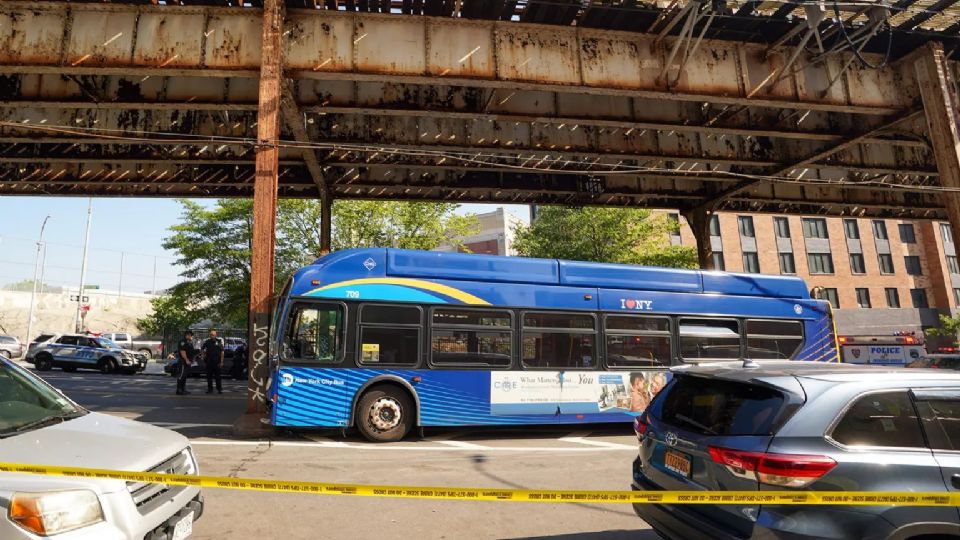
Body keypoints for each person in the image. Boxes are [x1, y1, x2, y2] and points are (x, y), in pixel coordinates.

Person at [201, 329, 225, 394]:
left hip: (217, 363)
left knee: (218, 377)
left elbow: (222, 352)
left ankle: (219, 389)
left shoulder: (219, 342)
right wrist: (203, 356)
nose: (212, 336)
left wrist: (222, 361)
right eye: (211, 335)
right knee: (209, 377)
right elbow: (202, 349)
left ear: (216, 335)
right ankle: (210, 389)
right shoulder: (207, 342)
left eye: (213, 335)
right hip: (209, 362)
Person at [175, 331, 196, 396]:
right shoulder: (183, 342)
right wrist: (186, 360)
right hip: (183, 361)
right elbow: (182, 352)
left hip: (188, 361)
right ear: (187, 335)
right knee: (181, 375)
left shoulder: (189, 342)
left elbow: (191, 352)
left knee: (184, 376)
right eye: (191, 335)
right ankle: (179, 390)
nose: (192, 337)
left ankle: (183, 389)